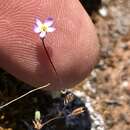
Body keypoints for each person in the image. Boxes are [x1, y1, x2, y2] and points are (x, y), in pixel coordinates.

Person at [0, 0, 99, 90]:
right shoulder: (42, 29)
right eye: (43, 28)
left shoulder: (45, 29)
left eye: (44, 28)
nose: (43, 28)